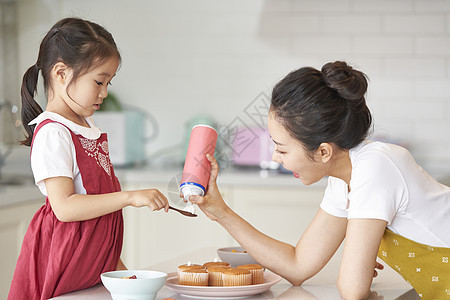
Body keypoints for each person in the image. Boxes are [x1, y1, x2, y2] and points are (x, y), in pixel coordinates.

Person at [189, 61, 450, 299]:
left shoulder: (375, 167)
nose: (276, 157)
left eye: (281, 149)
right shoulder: (343, 178)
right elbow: (298, 265)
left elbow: (352, 290)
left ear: (323, 151)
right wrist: (220, 211)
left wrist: (358, 277)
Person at [8, 18, 169, 300]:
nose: (105, 92)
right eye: (98, 81)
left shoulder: (87, 129)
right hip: (63, 264)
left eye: (109, 82)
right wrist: (129, 197)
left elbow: (99, 223)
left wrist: (124, 278)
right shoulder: (54, 133)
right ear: (61, 73)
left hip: (91, 265)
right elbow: (65, 208)